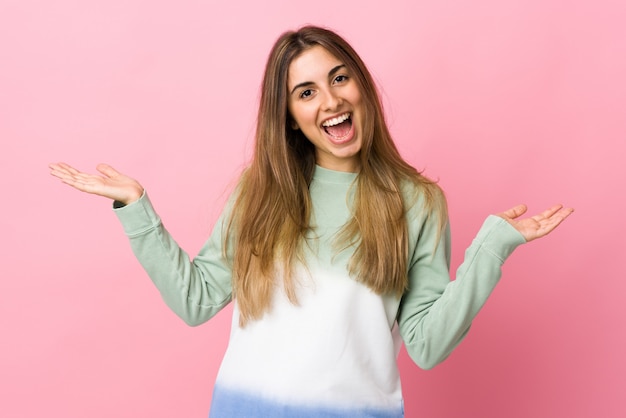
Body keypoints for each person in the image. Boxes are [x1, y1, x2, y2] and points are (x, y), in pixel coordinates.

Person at [49, 26, 573, 418]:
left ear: (361, 85)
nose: (330, 100)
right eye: (306, 92)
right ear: (290, 116)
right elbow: (196, 299)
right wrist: (137, 210)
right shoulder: (259, 193)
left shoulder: (417, 202)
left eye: (339, 78)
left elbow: (427, 344)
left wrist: (493, 248)